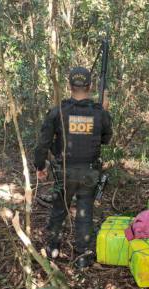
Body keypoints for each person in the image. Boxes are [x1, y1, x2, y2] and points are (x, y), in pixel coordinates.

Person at [34, 66, 113, 268]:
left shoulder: (58, 112)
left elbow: (43, 142)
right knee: (85, 212)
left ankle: (52, 249)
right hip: (88, 172)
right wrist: (105, 112)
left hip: (65, 172)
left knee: (59, 210)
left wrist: (39, 165)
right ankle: (82, 258)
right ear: (90, 86)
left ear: (69, 86)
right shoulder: (98, 113)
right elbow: (107, 139)